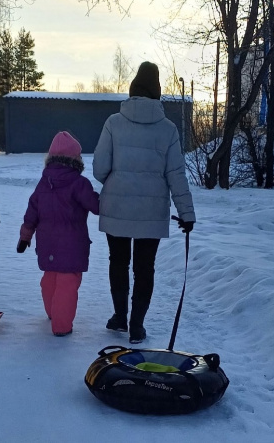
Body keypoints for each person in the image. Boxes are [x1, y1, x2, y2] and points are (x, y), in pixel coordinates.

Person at [93, 61, 196, 344]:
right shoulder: (168, 129)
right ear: (157, 90)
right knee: (144, 268)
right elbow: (176, 174)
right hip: (152, 212)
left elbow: (99, 168)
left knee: (118, 262)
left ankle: (119, 317)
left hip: (117, 208)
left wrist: (118, 180)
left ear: (133, 88)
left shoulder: (113, 122)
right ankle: (137, 326)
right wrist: (187, 213)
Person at [17, 131, 100, 336]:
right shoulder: (79, 183)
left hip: (47, 243)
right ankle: (62, 326)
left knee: (50, 278)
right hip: (72, 244)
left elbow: (31, 213)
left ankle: (53, 312)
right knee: (68, 283)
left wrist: (25, 237)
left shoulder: (43, 183)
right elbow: (96, 206)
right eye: (79, 155)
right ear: (73, 159)